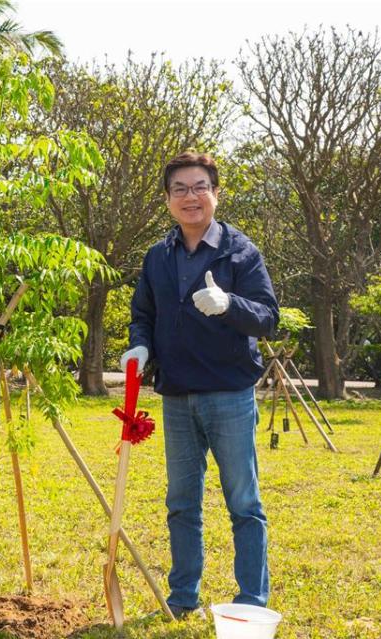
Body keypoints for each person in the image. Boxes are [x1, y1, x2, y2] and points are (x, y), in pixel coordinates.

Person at [120, 151, 278, 618]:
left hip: (230, 393)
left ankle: (251, 600)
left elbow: (269, 318)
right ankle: (183, 598)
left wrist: (229, 303)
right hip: (177, 395)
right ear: (168, 200)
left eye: (200, 187)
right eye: (180, 190)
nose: (191, 197)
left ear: (215, 193)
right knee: (181, 503)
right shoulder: (157, 257)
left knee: (243, 502)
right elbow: (142, 316)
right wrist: (141, 347)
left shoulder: (241, 253)